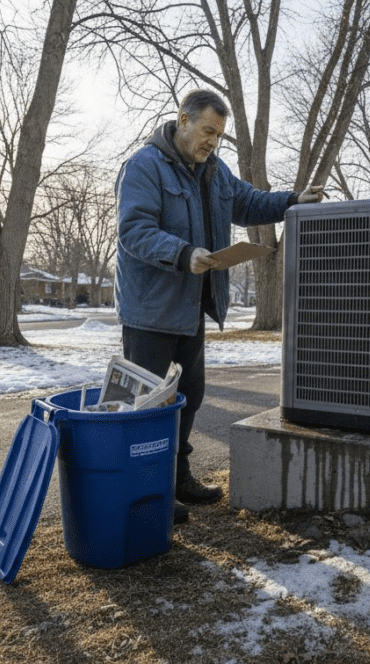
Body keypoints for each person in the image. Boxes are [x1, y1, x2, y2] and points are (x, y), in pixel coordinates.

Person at [114, 89, 324, 524]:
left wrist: (292, 201)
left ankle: (178, 478)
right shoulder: (144, 166)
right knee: (146, 406)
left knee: (189, 396)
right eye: (208, 130)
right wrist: (182, 253)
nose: (212, 141)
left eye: (219, 135)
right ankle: (145, 491)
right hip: (150, 310)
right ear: (183, 120)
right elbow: (134, 231)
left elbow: (248, 203)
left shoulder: (215, 170)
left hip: (192, 306)